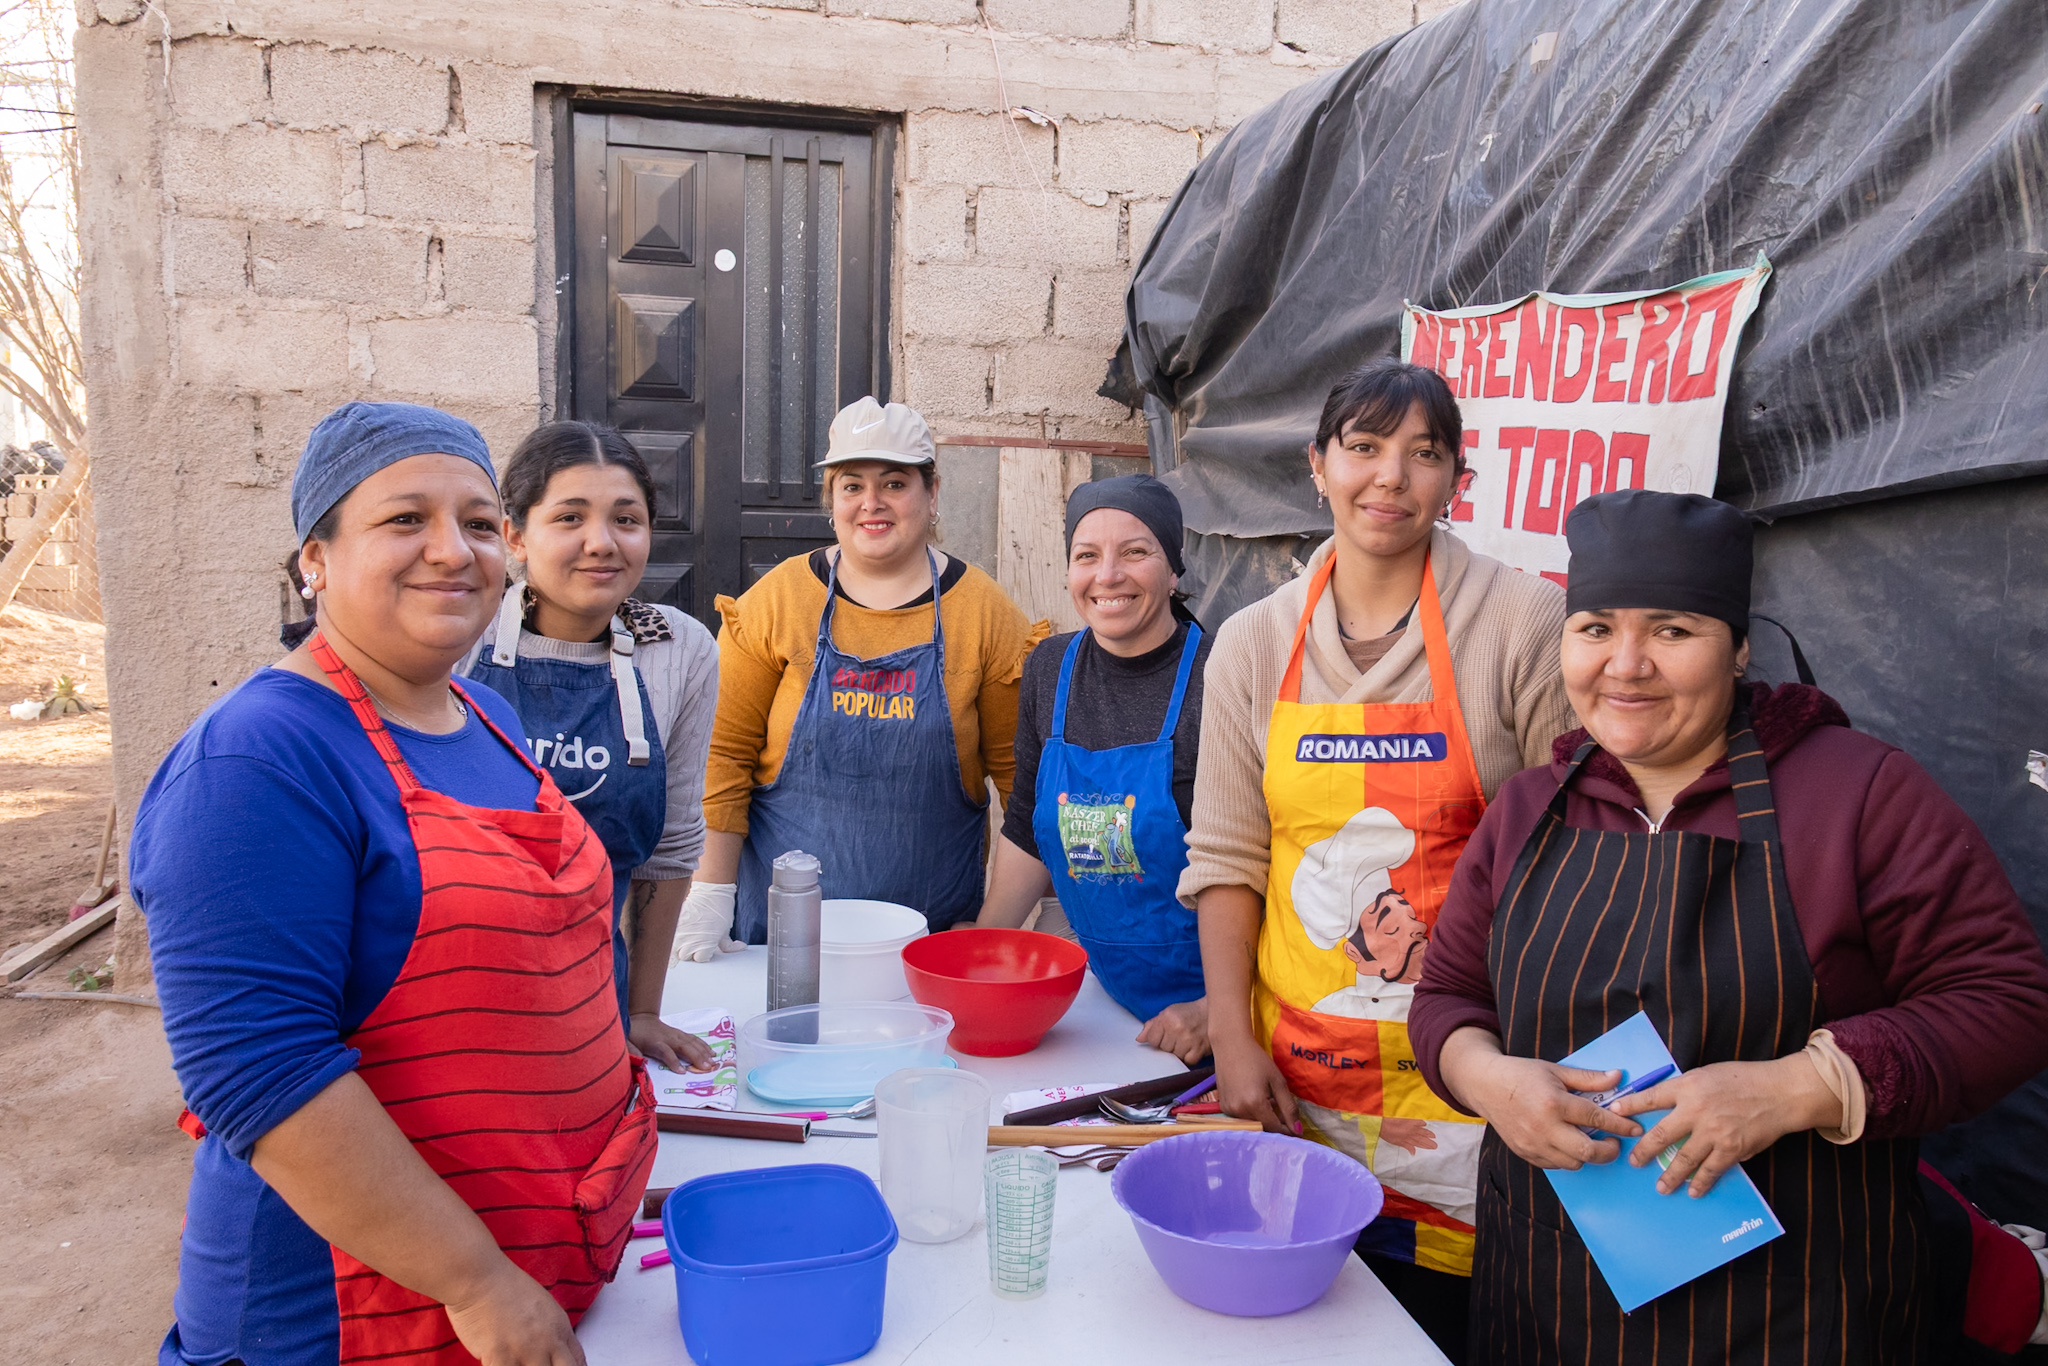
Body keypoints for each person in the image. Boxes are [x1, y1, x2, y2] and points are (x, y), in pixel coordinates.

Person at [1409, 489, 2048, 1363]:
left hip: (1794, 1311)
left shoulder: (1860, 795)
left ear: (1739, 649)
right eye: (1596, 629)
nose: (1625, 665)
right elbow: (1448, 995)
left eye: (1672, 631)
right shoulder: (1529, 810)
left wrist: (1797, 1088)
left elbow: (2009, 1004)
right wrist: (1485, 1080)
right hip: (1547, 1296)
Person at [133, 402, 655, 1366]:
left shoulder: (483, 714)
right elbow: (260, 1072)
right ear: (315, 558)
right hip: (351, 1315)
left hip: (530, 1276)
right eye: (404, 520)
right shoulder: (259, 761)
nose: (453, 552)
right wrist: (476, 1279)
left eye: (479, 522)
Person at [1181, 358, 1575, 1360]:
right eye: (1362, 447)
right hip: (1298, 1087)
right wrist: (1231, 1039)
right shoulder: (1252, 643)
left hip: (1475, 1089)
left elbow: (1577, 854)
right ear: (1318, 465)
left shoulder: (1518, 620)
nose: (1388, 477)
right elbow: (1231, 858)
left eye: (1422, 454)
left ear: (1456, 479)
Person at [675, 397, 1045, 949]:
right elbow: (723, 757)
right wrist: (708, 896)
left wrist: (992, 931)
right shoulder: (778, 602)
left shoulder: (984, 616)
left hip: (928, 948)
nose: (872, 503)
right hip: (777, 945)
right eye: (852, 485)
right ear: (832, 499)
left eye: (894, 483)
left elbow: (1024, 786)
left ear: (932, 492)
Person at [462, 421, 718, 1074]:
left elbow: (673, 846)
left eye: (625, 519)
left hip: (592, 1005)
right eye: (570, 517)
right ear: (515, 535)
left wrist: (641, 1012)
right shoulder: (462, 636)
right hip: (455, 1001)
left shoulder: (679, 650)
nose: (600, 544)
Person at [975, 475, 1213, 1062]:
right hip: (1107, 1000)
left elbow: (1271, 866)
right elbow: (1030, 822)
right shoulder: (1050, 668)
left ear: (1174, 568)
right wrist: (980, 952)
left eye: (1136, 551)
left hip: (1214, 1007)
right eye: (1087, 556)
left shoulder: (1222, 673)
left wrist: (1226, 1011)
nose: (1107, 576)